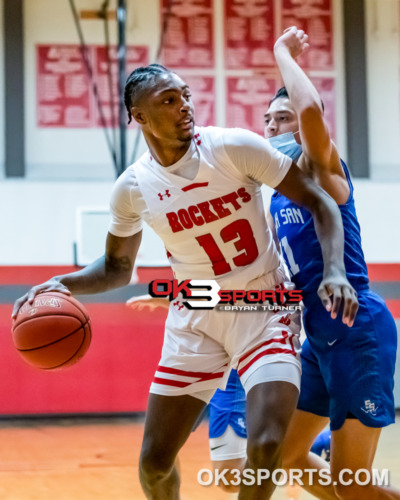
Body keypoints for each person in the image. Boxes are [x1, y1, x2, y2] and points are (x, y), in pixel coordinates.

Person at [13, 63, 358, 499]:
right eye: (169, 101)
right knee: (155, 464)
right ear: (138, 117)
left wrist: (333, 270)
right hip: (197, 313)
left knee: (268, 444)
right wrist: (61, 283)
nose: (184, 107)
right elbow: (117, 269)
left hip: (264, 305)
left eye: (185, 95)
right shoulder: (133, 188)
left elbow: (320, 201)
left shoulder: (232, 146)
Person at [265, 27, 399, 499]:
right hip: (319, 339)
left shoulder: (321, 171)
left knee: (351, 482)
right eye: (267, 121)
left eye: (281, 119)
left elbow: (309, 110)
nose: (272, 127)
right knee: (287, 455)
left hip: (356, 328)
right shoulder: (276, 198)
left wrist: (282, 52)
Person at [127, 294, 247, 495]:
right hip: (195, 355)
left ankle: (295, 448)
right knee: (158, 453)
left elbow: (240, 296)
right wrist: (173, 299)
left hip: (234, 360)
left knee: (229, 477)